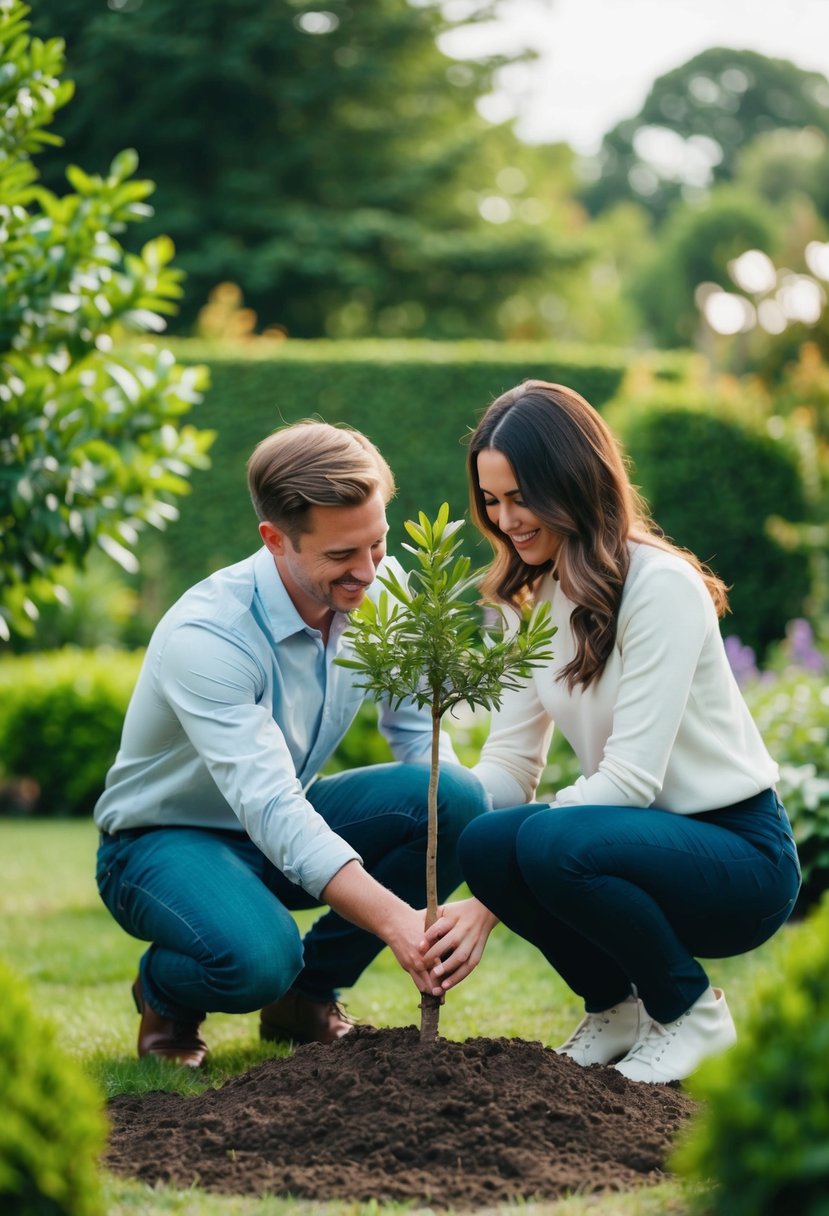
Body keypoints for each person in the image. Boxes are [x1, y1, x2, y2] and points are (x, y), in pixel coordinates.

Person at [419, 380, 801, 1084]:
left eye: (520, 497)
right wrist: (453, 853)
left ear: (571, 480)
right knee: (488, 838)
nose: (506, 520)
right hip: (625, 844)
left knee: (543, 841)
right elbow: (509, 760)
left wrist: (490, 905)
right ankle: (614, 1009)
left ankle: (690, 1014)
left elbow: (629, 781)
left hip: (736, 859)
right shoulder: (525, 598)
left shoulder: (660, 586)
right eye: (491, 501)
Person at [95, 421, 486, 1067]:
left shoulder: (378, 590)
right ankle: (167, 993)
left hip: (282, 821)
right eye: (340, 557)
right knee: (259, 958)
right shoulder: (210, 635)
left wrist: (478, 860)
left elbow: (422, 735)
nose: (367, 573)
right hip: (161, 842)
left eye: (378, 544)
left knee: (459, 800)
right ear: (274, 540)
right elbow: (270, 806)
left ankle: (303, 998)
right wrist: (395, 921)